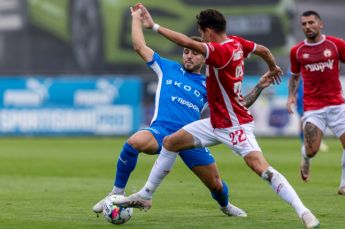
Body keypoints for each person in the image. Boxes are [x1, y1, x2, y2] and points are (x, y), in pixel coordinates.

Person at [114, 5, 320, 228]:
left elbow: (186, 42)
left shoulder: (221, 51)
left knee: (262, 169)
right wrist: (272, 68)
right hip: (214, 123)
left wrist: (153, 26)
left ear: (209, 31)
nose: (201, 40)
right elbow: (263, 50)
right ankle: (145, 194)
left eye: (202, 34)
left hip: (235, 126)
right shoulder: (237, 42)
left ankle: (304, 212)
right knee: (170, 142)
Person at [92, 5, 274, 217]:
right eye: (186, 52)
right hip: (162, 131)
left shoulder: (210, 83)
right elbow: (139, 46)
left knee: (216, 185)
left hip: (191, 137)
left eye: (195, 53)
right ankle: (115, 194)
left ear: (205, 58)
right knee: (134, 142)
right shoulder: (167, 68)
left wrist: (260, 86)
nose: (188, 56)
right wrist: (135, 19)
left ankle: (225, 206)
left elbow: (240, 106)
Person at [287, 10, 345, 195]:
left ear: (320, 24)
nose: (307, 27)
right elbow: (295, 77)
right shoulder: (297, 51)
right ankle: (305, 158)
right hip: (313, 108)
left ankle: (343, 184)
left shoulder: (336, 45)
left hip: (337, 104)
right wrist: (291, 96)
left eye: (311, 22)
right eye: (304, 24)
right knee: (312, 150)